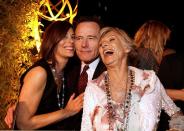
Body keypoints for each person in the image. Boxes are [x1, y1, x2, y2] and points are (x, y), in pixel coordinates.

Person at [5, 16, 106, 130]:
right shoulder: (40, 72)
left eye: (73, 37)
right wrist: (21, 108)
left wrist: (19, 105)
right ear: (52, 40)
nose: (71, 42)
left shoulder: (69, 67)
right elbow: (23, 122)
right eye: (78, 37)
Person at [81, 27, 183, 131]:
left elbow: (176, 113)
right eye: (101, 45)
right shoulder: (93, 88)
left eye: (111, 40)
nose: (104, 45)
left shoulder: (149, 80)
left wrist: (177, 128)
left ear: (127, 48)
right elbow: (85, 128)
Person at [134, 20, 184, 131]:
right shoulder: (145, 55)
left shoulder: (145, 54)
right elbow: (144, 91)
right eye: (164, 38)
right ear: (157, 37)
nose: (166, 41)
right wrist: (179, 94)